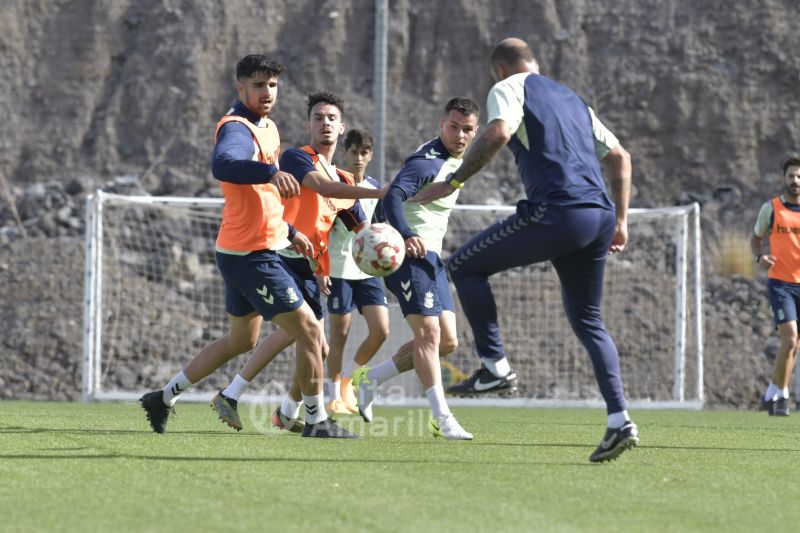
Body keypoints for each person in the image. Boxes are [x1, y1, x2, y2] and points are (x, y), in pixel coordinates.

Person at [413, 38, 637, 461]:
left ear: (498, 70)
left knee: (463, 266)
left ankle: (496, 369)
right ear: (534, 62)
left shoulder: (510, 87)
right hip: (600, 216)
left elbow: (497, 132)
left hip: (560, 212)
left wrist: (454, 181)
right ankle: (619, 420)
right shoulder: (572, 98)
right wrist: (622, 221)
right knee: (589, 320)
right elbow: (620, 157)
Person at [139, 57, 359, 439]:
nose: (267, 93)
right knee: (310, 330)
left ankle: (163, 397)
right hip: (251, 255)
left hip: (245, 248)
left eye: (272, 85)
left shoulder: (268, 127)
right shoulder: (237, 128)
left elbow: (263, 198)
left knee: (243, 340)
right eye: (258, 85)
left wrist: (289, 231)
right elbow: (224, 165)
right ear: (240, 89)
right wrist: (270, 171)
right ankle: (315, 420)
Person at [209, 92, 384, 434]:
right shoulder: (297, 158)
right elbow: (320, 186)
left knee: (316, 346)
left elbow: (358, 227)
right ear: (308, 125)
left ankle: (286, 412)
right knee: (303, 335)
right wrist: (376, 192)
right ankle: (241, 396)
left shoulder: (346, 182)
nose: (325, 124)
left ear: (341, 126)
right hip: (279, 255)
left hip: (308, 267)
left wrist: (386, 246)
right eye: (318, 118)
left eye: (332, 118)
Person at [351, 96, 481, 440]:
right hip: (406, 254)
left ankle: (369, 380)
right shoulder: (428, 162)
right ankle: (442, 417)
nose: (460, 135)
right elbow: (393, 195)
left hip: (431, 257)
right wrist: (405, 235)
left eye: (467, 129)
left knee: (447, 342)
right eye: (454, 127)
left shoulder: (459, 158)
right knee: (428, 335)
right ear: (442, 125)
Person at [321, 129, 390, 415]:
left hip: (368, 270)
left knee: (381, 330)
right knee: (340, 335)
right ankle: (333, 394)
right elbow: (322, 227)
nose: (359, 158)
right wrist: (321, 266)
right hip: (338, 269)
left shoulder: (375, 187)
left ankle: (350, 379)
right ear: (345, 153)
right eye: (353, 152)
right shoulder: (334, 184)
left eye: (364, 153)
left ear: (370, 155)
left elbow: (380, 228)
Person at [752, 155, 800, 417]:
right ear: (784, 178)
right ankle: (782, 396)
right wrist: (760, 257)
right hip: (781, 284)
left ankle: (771, 393)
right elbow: (756, 237)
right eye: (792, 175)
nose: (796, 181)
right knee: (789, 338)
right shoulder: (770, 209)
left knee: (794, 345)